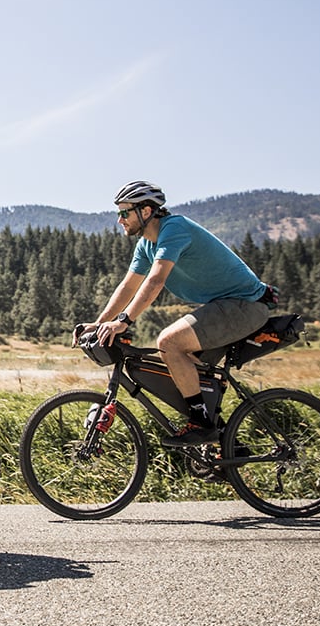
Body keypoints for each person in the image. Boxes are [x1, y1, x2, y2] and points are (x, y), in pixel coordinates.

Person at [85, 180, 274, 446]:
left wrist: (124, 321)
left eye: (125, 212)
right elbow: (128, 286)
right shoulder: (145, 246)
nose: (120, 220)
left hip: (245, 304)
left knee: (169, 342)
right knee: (184, 375)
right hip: (224, 305)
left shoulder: (174, 228)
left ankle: (202, 425)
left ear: (146, 211)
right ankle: (228, 445)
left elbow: (155, 280)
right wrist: (99, 323)